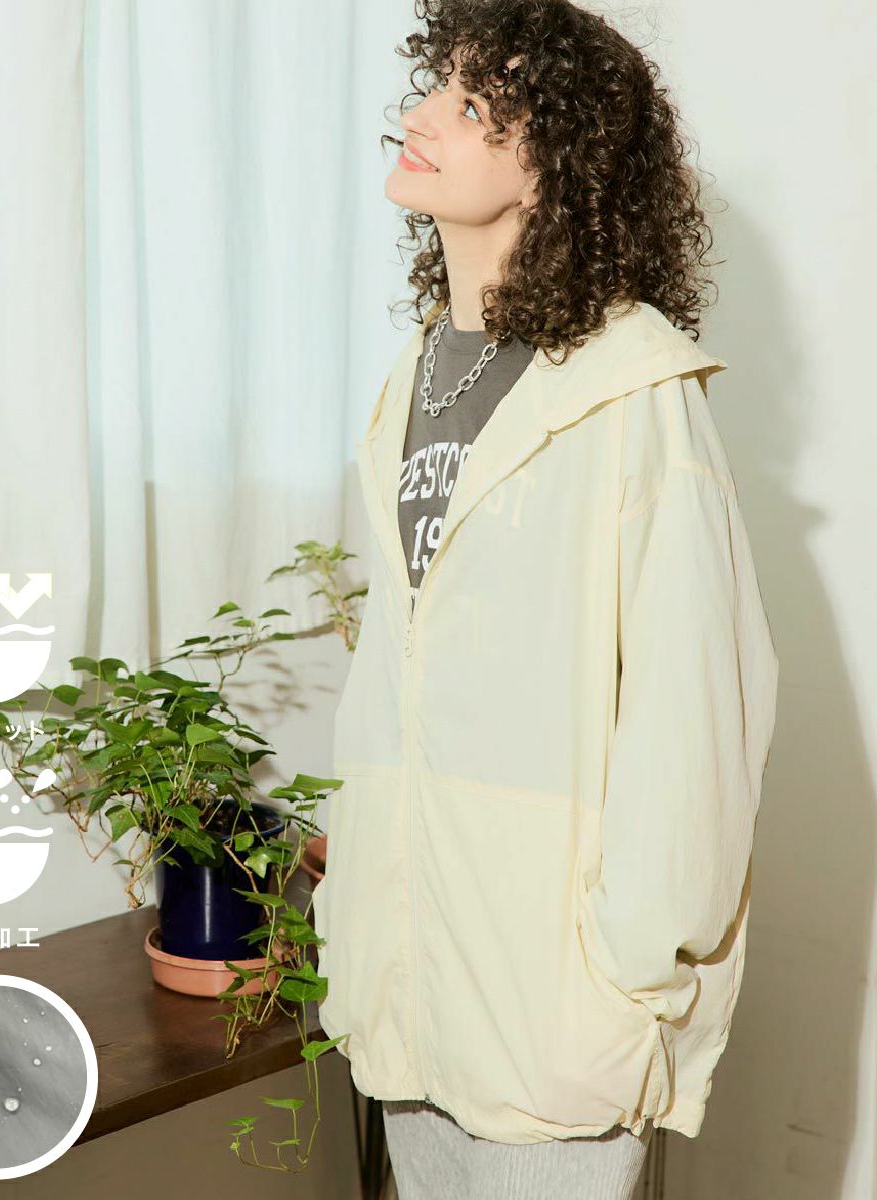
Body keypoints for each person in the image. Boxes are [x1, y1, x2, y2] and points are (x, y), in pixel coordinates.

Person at [312, 3, 780, 1198]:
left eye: (472, 105)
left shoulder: (633, 388)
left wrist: (628, 975)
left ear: (551, 167)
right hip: (410, 989)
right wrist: (355, 911)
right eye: (437, 84)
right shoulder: (415, 376)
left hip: (556, 1010)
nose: (423, 114)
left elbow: (695, 717)